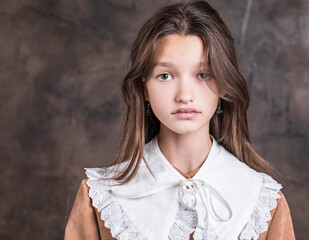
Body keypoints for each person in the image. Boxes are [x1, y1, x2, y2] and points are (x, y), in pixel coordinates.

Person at [65, 1, 295, 239]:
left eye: (203, 75)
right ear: (144, 87)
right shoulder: (101, 198)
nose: (185, 95)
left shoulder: (262, 201)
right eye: (165, 75)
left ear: (224, 84)